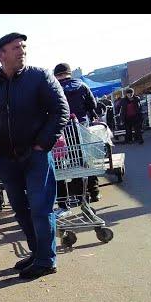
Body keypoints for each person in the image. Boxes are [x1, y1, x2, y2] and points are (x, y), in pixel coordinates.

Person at [0, 32, 69, 280]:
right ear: (1, 55)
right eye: (16, 47)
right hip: (6, 160)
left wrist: (43, 144)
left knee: (41, 209)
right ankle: (36, 252)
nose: (22, 50)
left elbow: (61, 110)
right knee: (20, 209)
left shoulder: (39, 77)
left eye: (23, 46)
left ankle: (46, 260)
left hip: (36, 156)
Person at [53, 63, 100, 203]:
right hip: (81, 127)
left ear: (56, 75)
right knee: (87, 159)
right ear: (69, 73)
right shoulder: (82, 85)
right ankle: (94, 191)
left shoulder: (54, 89)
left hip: (63, 131)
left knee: (71, 162)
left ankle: (80, 195)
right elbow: (93, 105)